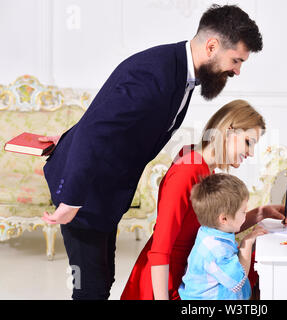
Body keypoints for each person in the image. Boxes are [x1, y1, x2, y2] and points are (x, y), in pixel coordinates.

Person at [39, 4, 263, 300]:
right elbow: (97, 129)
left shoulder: (180, 74)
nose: (236, 70)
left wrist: (68, 135)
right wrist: (71, 199)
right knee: (90, 288)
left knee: (103, 279)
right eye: (235, 60)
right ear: (212, 46)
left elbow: (108, 111)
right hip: (84, 194)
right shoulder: (154, 72)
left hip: (106, 191)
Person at [120, 99, 287, 300]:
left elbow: (217, 224)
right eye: (248, 142)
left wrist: (262, 212)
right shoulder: (189, 170)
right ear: (229, 132)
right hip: (163, 285)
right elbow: (161, 249)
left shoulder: (201, 164)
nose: (250, 153)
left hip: (188, 277)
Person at [179, 173, 268, 300]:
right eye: (243, 211)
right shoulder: (216, 250)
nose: (245, 213)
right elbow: (238, 282)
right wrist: (247, 243)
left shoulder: (210, 230)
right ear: (224, 218)